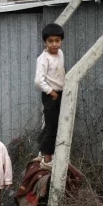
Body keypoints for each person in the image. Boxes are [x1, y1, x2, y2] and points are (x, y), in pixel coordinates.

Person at [34, 23, 65, 170]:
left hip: (60, 93)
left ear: (61, 41)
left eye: (57, 41)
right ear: (45, 42)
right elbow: (39, 81)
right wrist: (51, 93)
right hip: (50, 95)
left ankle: (41, 150)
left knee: (52, 124)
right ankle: (47, 158)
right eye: (50, 41)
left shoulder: (60, 54)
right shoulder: (43, 58)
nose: (54, 44)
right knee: (52, 127)